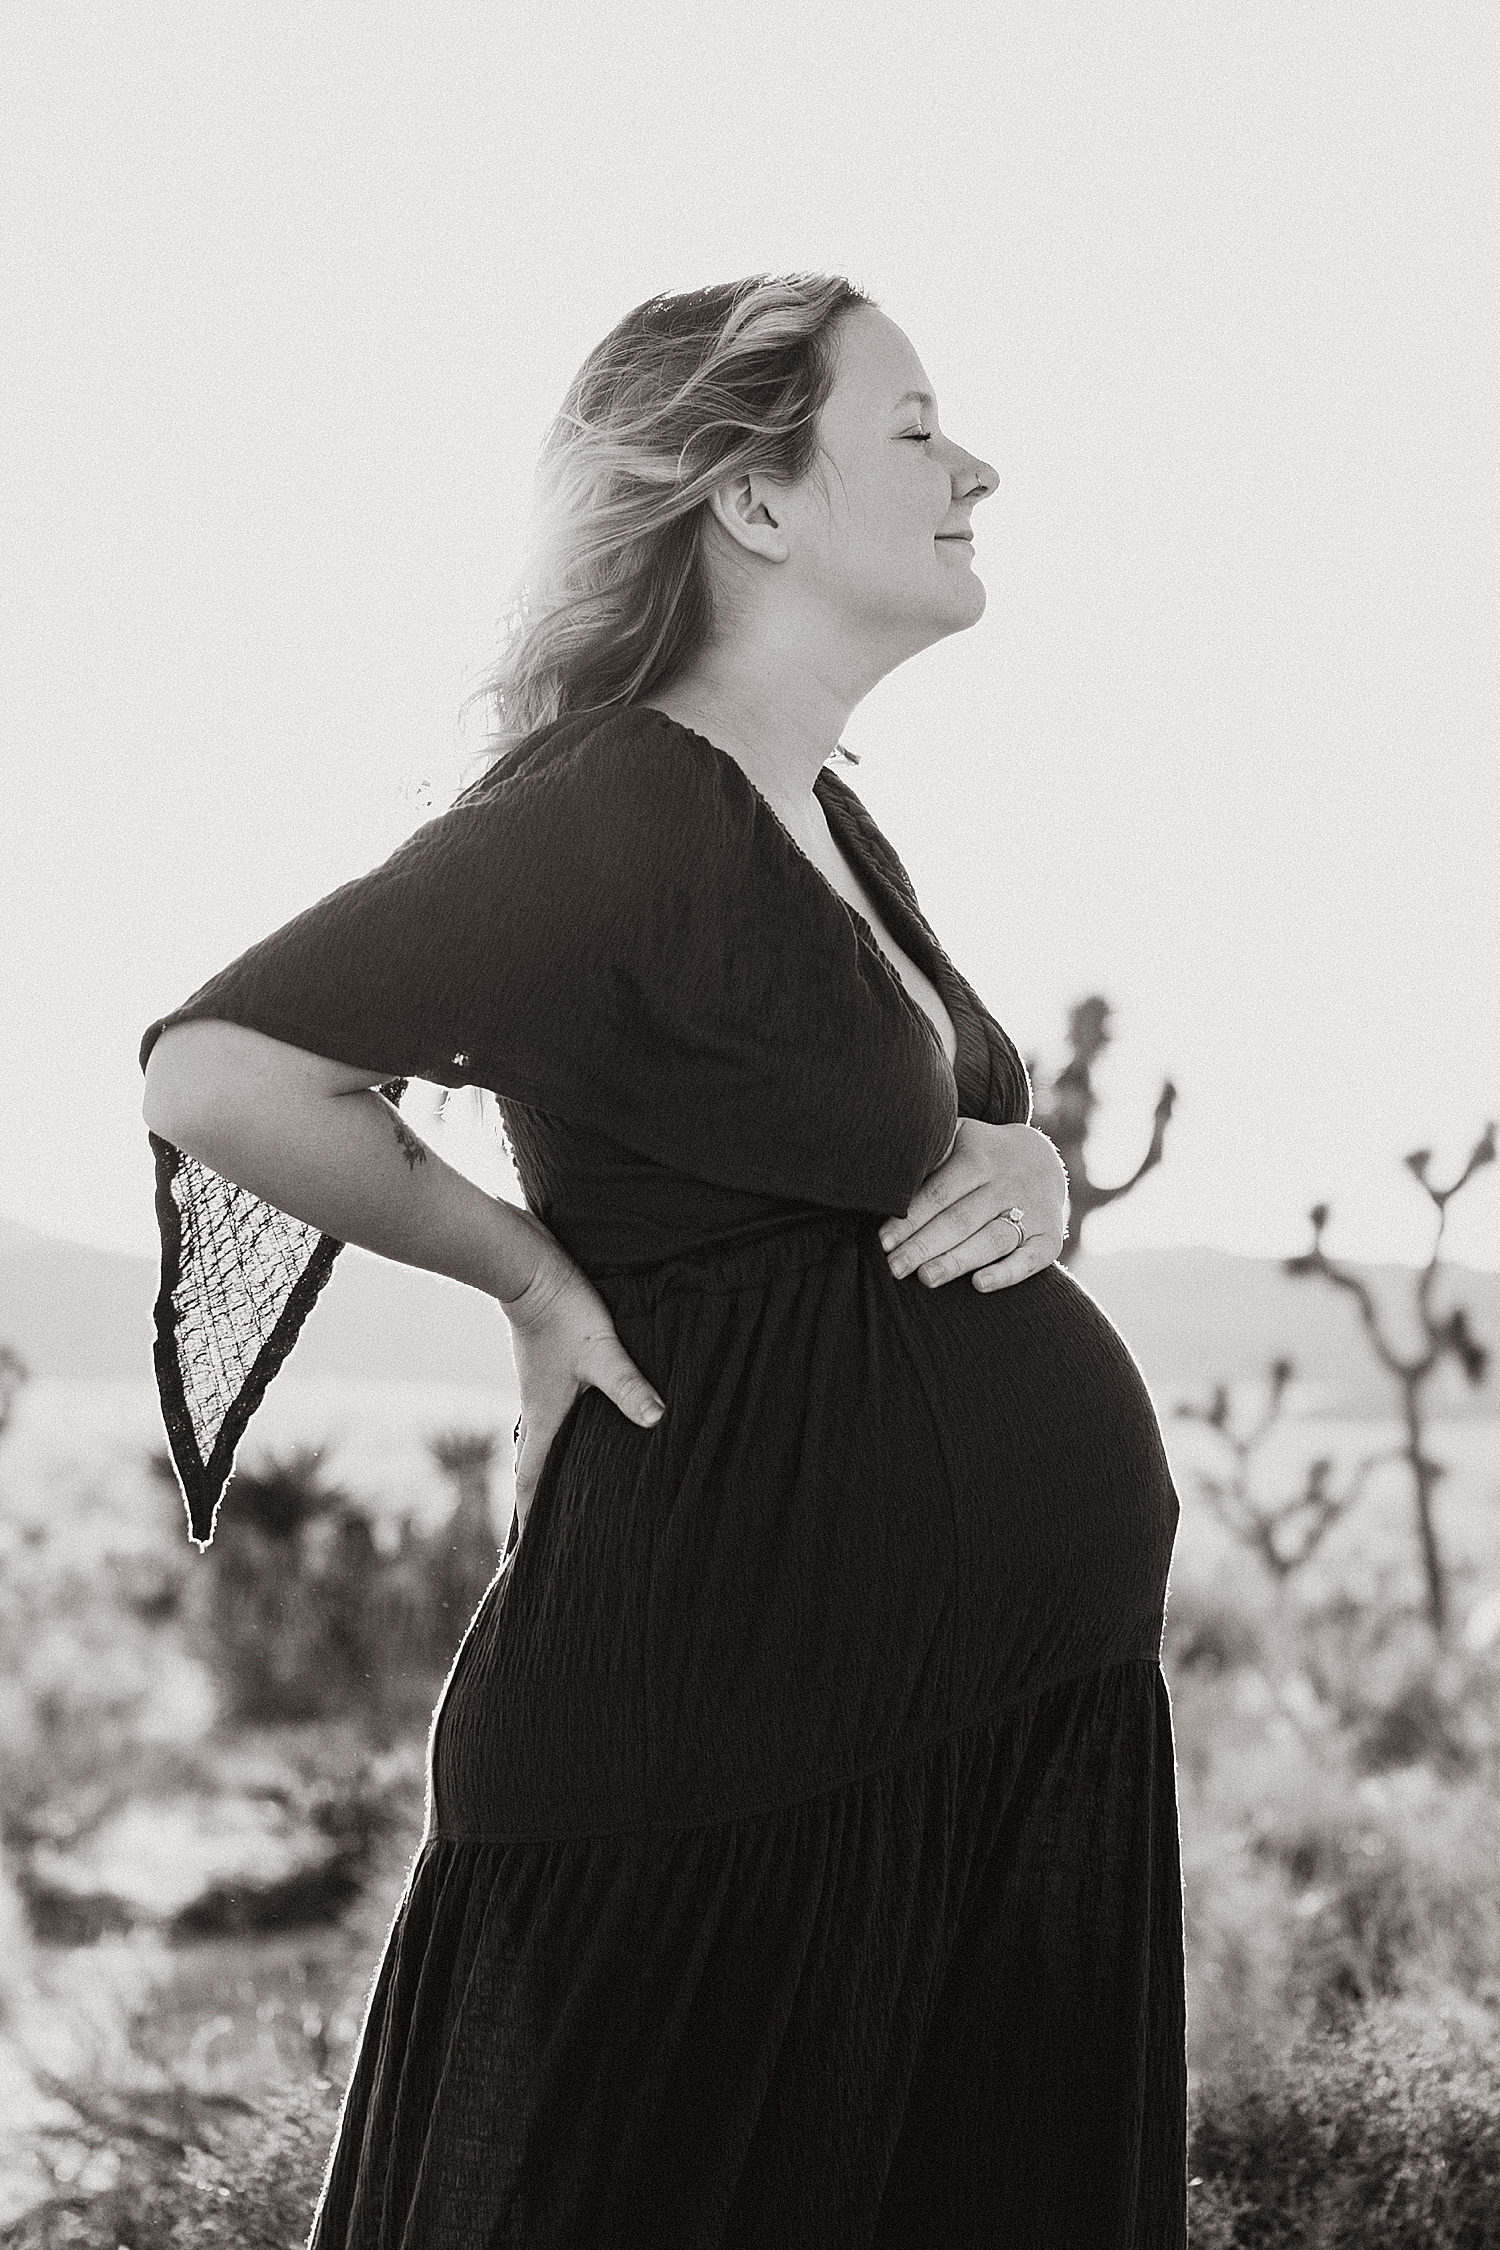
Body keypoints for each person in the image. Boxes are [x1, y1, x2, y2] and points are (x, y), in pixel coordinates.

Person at [140, 272, 1187, 2248]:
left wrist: (1025, 1156)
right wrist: (525, 1279)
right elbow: (223, 1069)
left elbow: (845, 1145)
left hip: (965, 1734)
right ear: (757, 504)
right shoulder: (627, 795)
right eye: (914, 427)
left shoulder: (829, 828)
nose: (978, 467)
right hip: (726, 1740)